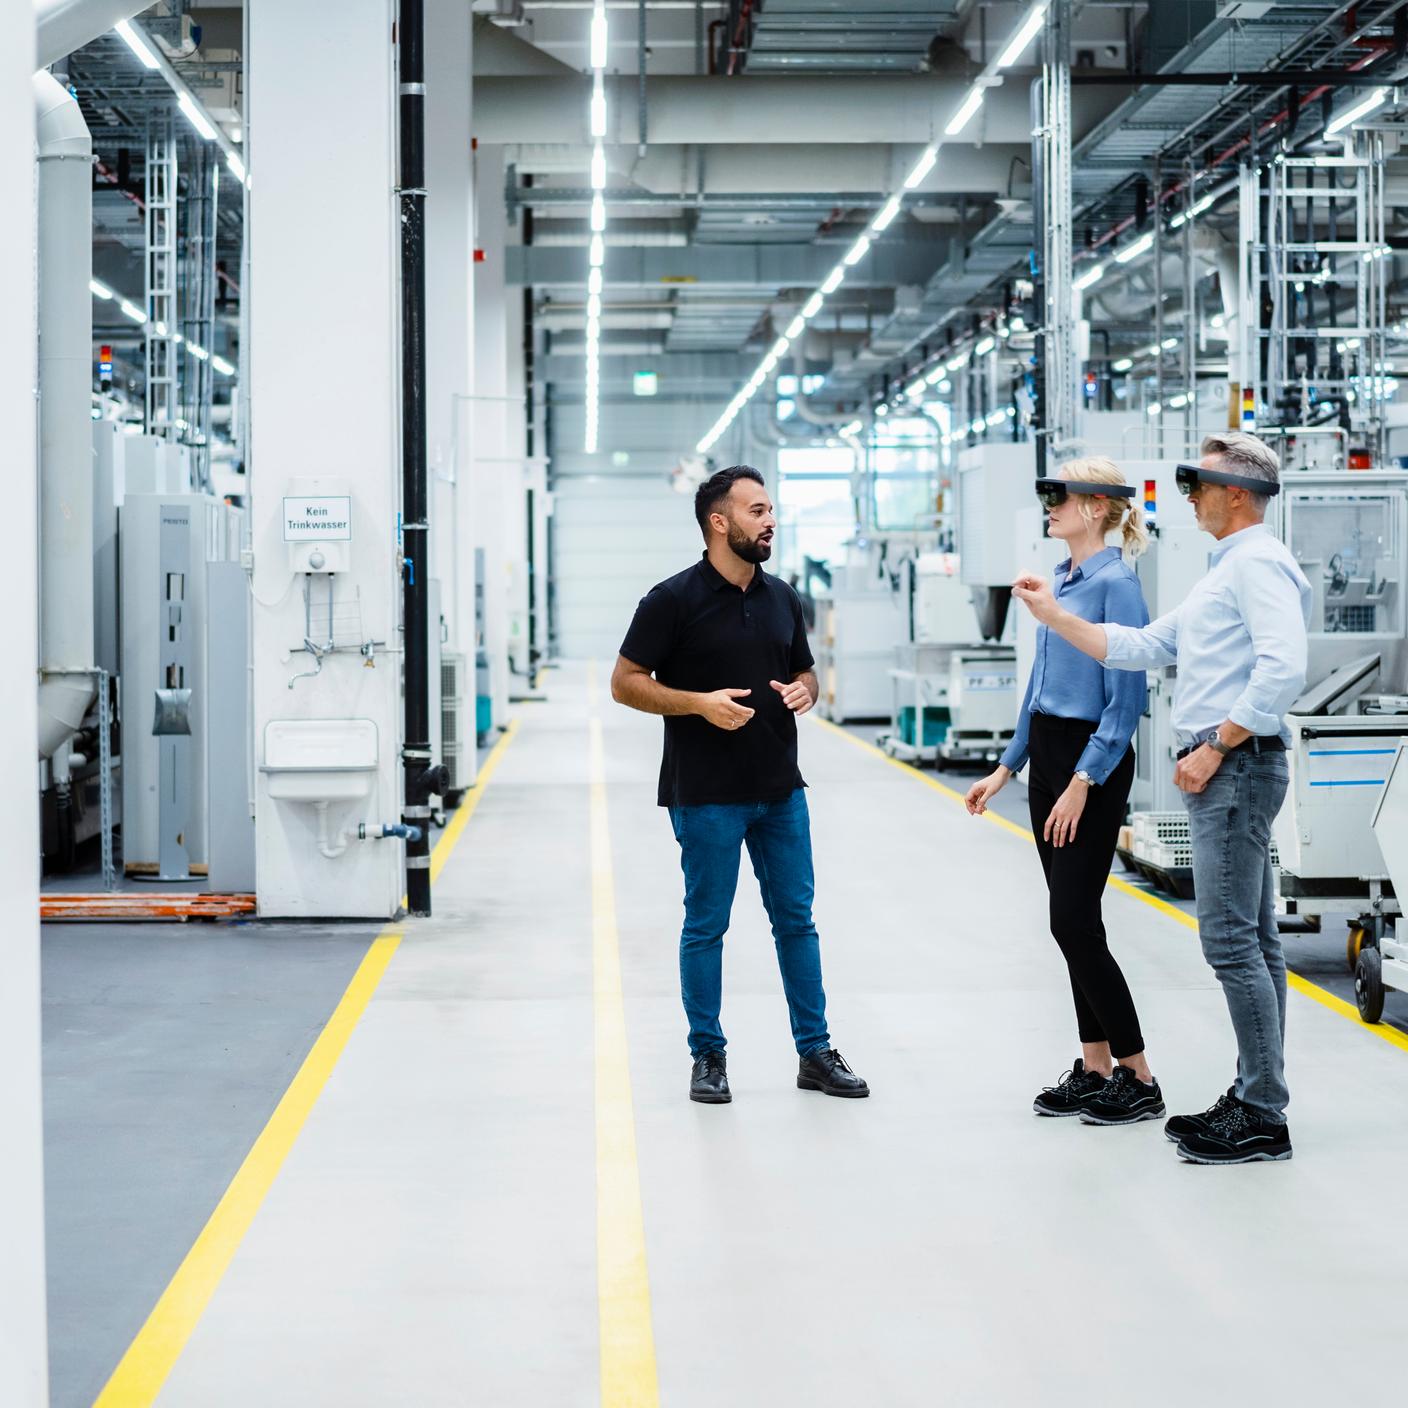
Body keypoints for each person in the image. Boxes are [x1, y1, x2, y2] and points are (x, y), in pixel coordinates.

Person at [1012, 432, 1310, 1164]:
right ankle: (1254, 1091)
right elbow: (1142, 646)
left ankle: (1263, 1112)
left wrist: (1218, 743)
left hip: (1234, 765)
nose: (1189, 500)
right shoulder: (1224, 571)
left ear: (1235, 493)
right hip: (1230, 765)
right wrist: (1054, 618)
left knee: (1232, 941)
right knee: (1255, 941)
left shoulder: (1258, 565)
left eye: (1198, 487)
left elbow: (1283, 667)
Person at [611, 465, 868, 1105]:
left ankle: (815, 1052)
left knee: (796, 923)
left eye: (771, 509)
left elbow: (805, 672)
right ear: (718, 522)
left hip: (781, 789)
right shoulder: (671, 600)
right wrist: (698, 703)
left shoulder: (783, 597)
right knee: (706, 926)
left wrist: (804, 692)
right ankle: (708, 1055)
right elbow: (624, 682)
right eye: (757, 511)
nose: (770, 520)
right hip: (705, 795)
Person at [965, 458, 1164, 1127]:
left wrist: (1085, 778)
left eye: (1060, 496)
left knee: (1072, 920)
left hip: (1090, 764)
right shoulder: (1060, 579)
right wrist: (1008, 766)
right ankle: (1095, 1066)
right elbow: (1041, 682)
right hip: (1049, 755)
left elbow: (1126, 695)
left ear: (1100, 508)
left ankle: (1138, 1076)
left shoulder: (1118, 585)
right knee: (1074, 922)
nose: (1048, 504)